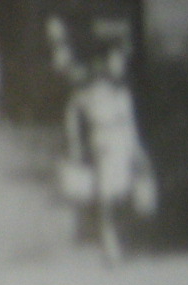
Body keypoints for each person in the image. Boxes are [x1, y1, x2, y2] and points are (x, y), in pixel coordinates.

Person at [65, 45, 151, 264]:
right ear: (105, 64)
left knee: (123, 197)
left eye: (121, 62)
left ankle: (121, 245)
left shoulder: (123, 92)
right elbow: (73, 111)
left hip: (123, 144)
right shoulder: (93, 91)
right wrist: (75, 144)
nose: (119, 67)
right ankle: (109, 246)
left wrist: (138, 150)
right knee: (107, 199)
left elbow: (130, 123)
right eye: (114, 62)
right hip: (103, 144)